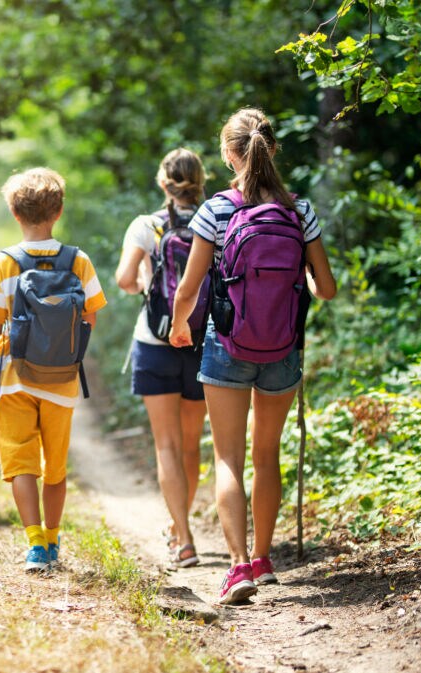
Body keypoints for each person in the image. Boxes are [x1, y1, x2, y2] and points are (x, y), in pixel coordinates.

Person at [169, 108, 336, 604]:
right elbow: (326, 288)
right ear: (273, 148)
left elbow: (188, 289)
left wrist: (180, 327)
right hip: (283, 348)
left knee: (228, 458)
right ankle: (264, 560)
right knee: (268, 456)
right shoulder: (299, 210)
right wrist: (285, 287)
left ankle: (237, 566)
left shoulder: (217, 210)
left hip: (227, 345)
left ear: (227, 153)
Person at [0, 168, 107, 571]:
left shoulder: (3, 263)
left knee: (22, 462)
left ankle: (35, 544)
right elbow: (90, 318)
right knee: (55, 467)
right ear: (58, 211)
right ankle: (55, 541)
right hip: (63, 380)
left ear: (14, 213)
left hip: (13, 377)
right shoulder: (79, 261)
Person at [113, 148, 209, 570]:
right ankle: (179, 527)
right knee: (191, 445)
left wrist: (145, 291)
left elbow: (123, 279)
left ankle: (183, 538)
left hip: (154, 342)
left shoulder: (146, 225)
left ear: (163, 183)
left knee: (166, 445)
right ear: (201, 180)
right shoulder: (216, 219)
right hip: (202, 342)